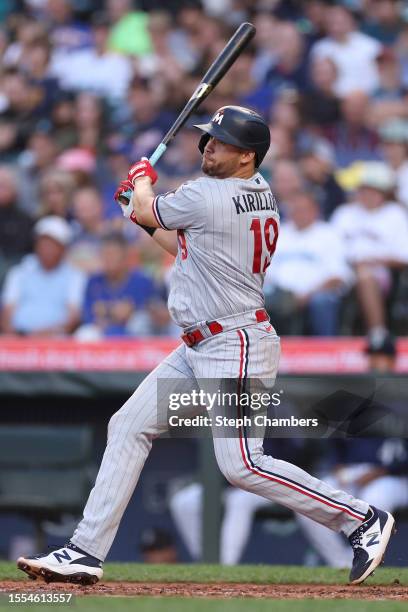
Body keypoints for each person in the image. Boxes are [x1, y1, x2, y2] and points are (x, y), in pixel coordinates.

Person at [17, 105, 395, 586]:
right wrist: (141, 210)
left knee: (242, 465)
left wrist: (139, 181)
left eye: (221, 141)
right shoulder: (255, 194)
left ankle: (361, 519)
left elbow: (147, 206)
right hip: (203, 344)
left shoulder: (208, 195)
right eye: (208, 138)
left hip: (233, 342)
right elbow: (184, 248)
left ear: (247, 157)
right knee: (128, 425)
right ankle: (85, 551)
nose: (208, 146)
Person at [1, 216, 85, 336]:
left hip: (57, 338)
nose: (46, 248)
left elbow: (73, 317)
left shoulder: (74, 275)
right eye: (43, 243)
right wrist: (18, 336)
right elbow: (7, 312)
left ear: (63, 248)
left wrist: (43, 335)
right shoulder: (20, 271)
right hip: (19, 337)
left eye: (53, 244)